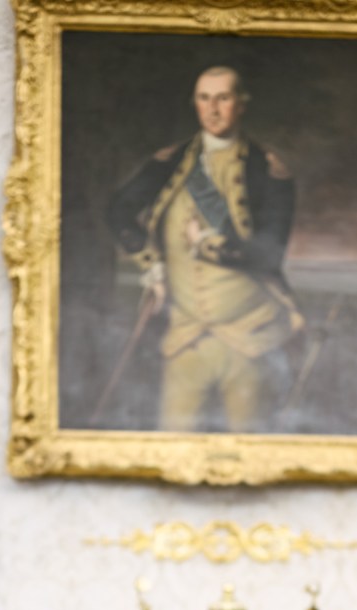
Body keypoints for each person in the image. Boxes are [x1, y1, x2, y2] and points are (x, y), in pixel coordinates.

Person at [107, 65, 303, 433]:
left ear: (241, 104)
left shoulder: (269, 170)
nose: (212, 109)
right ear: (195, 103)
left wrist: (206, 243)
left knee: (248, 451)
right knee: (173, 446)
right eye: (204, 98)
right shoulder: (171, 162)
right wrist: (152, 265)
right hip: (183, 335)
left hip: (250, 336)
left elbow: (269, 253)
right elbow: (117, 210)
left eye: (223, 98)